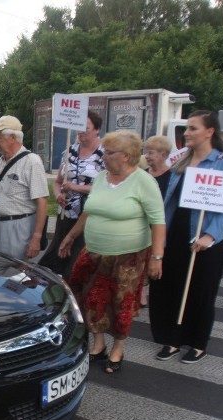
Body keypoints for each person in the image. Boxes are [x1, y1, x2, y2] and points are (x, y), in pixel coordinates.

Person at [58, 130, 165, 374]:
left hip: (128, 255)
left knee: (121, 303)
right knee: (90, 298)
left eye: (109, 152)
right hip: (94, 250)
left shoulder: (144, 182)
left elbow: (158, 221)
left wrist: (157, 257)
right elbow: (90, 210)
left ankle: (117, 348)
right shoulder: (101, 178)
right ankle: (98, 345)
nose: (103, 156)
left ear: (126, 156)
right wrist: (71, 236)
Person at [149, 110, 223, 364]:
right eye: (186, 128)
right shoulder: (182, 161)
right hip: (177, 234)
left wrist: (210, 235)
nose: (186, 133)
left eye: (193, 128)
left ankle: (198, 342)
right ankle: (174, 338)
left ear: (210, 132)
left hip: (206, 238)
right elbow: (170, 201)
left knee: (201, 291)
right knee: (174, 287)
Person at [39, 111, 105, 279]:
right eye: (79, 127)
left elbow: (106, 188)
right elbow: (58, 182)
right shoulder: (69, 152)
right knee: (58, 258)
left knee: (78, 262)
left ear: (97, 129)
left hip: (89, 217)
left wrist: (76, 187)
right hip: (66, 214)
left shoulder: (105, 154)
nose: (81, 131)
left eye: (86, 128)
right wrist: (57, 194)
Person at [0, 115, 48, 260]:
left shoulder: (31, 162)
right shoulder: (1, 161)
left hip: (18, 227)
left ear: (12, 137)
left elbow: (42, 202)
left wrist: (36, 237)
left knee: (14, 273)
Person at [139, 135, 173, 306]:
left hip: (161, 225)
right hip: (142, 225)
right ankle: (142, 291)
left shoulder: (172, 177)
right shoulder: (142, 175)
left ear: (164, 154)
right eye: (146, 152)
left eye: (150, 152)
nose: (147, 156)